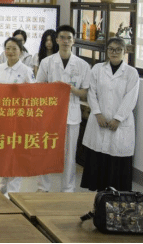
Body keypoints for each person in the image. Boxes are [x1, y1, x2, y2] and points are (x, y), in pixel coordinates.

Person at [35, 25, 91, 193]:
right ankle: (43, 187)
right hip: (50, 114)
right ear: (57, 40)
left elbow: (85, 93)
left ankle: (67, 188)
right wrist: (54, 89)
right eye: (62, 38)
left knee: (69, 154)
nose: (66, 41)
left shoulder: (82, 65)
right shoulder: (47, 62)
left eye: (69, 38)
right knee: (46, 151)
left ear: (73, 41)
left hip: (71, 114)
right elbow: (38, 87)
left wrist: (71, 89)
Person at [81, 38, 139, 192]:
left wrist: (118, 118)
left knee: (116, 163)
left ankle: (116, 199)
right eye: (111, 49)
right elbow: (91, 93)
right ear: (107, 51)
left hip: (120, 124)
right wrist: (97, 113)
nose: (114, 52)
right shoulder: (97, 69)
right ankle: (98, 198)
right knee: (98, 160)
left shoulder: (131, 73)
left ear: (124, 52)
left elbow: (131, 98)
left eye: (118, 49)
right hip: (99, 121)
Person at [0, 37, 35, 196]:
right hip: (2, 118)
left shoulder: (26, 71)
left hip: (19, 119)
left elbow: (33, 95)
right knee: (4, 153)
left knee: (16, 154)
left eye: (14, 49)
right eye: (8, 48)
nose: (10, 52)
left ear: (21, 51)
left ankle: (13, 191)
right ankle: (3, 185)